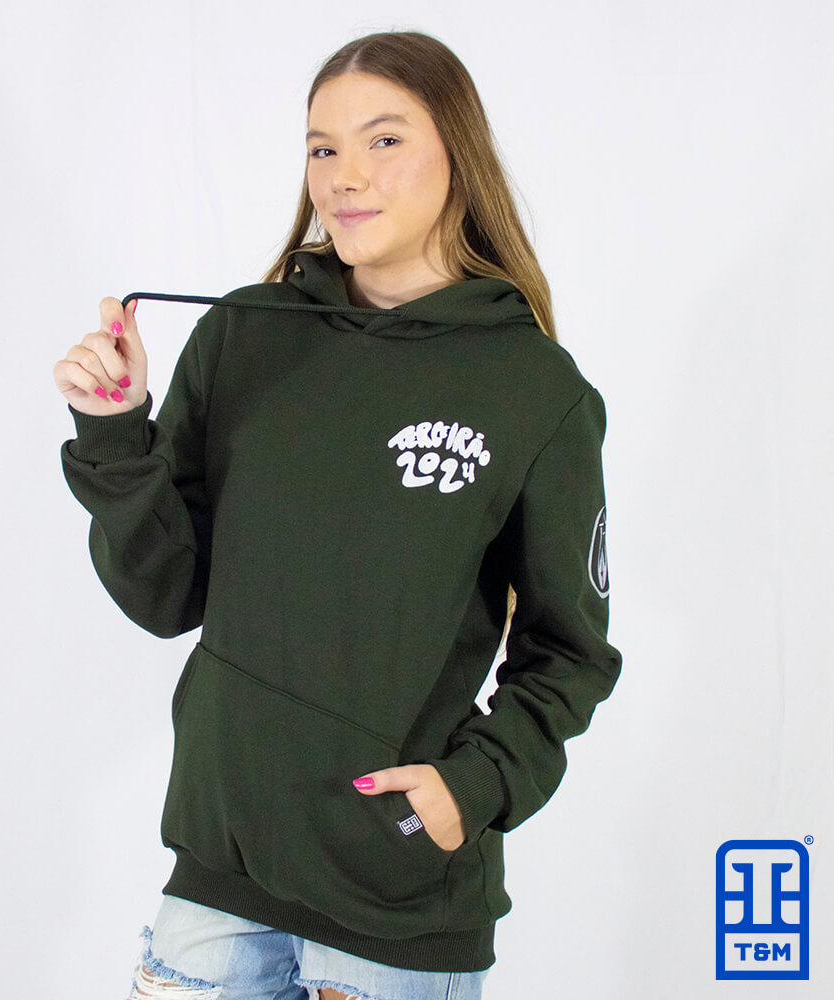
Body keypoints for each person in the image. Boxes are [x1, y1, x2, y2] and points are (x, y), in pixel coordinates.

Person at [54, 29, 622, 1000]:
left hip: (394, 915)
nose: (343, 176)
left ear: (458, 155)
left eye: (383, 140)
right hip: (217, 877)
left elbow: (570, 652)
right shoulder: (244, 336)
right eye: (322, 147)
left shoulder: (535, 392)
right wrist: (115, 435)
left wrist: (472, 788)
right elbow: (166, 595)